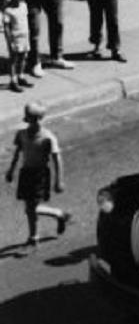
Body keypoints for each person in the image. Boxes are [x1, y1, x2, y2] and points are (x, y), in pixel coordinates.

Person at [5, 101, 72, 246]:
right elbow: (17, 152)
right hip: (26, 173)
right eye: (29, 118)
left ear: (40, 119)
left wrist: (59, 180)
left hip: (40, 175)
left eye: (34, 118)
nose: (32, 121)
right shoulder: (21, 134)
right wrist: (11, 170)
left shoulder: (48, 137)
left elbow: (56, 158)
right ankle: (55, 217)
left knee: (31, 207)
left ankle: (35, 235)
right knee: (29, 207)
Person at [3, 0, 31, 91]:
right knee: (13, 60)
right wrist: (9, 41)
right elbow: (6, 27)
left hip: (25, 35)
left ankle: (21, 76)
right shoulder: (8, 10)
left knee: (23, 57)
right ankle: (13, 81)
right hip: (15, 38)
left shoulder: (24, 6)